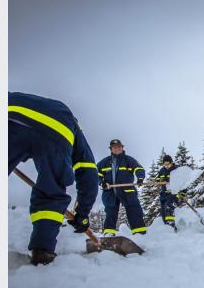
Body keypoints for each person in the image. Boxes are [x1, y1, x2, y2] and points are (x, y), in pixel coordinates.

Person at [8, 92, 99, 265]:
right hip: (56, 130)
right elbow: (87, 170)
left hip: (10, 117)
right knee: (51, 192)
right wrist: (83, 214)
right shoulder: (71, 122)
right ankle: (42, 253)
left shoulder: (19, 99)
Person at [97, 139, 147, 236]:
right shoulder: (104, 162)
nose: (117, 149)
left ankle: (139, 233)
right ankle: (109, 234)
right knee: (110, 213)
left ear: (122, 148)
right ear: (111, 149)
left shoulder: (128, 160)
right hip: (110, 192)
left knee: (134, 211)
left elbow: (139, 168)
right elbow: (96, 174)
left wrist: (140, 178)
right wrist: (101, 182)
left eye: (119, 147)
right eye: (114, 147)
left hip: (127, 191)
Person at [155, 154, 186, 232]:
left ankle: (171, 226)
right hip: (163, 194)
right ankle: (166, 228)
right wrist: (158, 181)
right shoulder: (162, 170)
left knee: (169, 207)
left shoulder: (176, 170)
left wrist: (182, 193)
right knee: (163, 212)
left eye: (168, 164)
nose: (166, 166)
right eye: (164, 164)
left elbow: (183, 182)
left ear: (171, 163)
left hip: (173, 193)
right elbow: (158, 179)